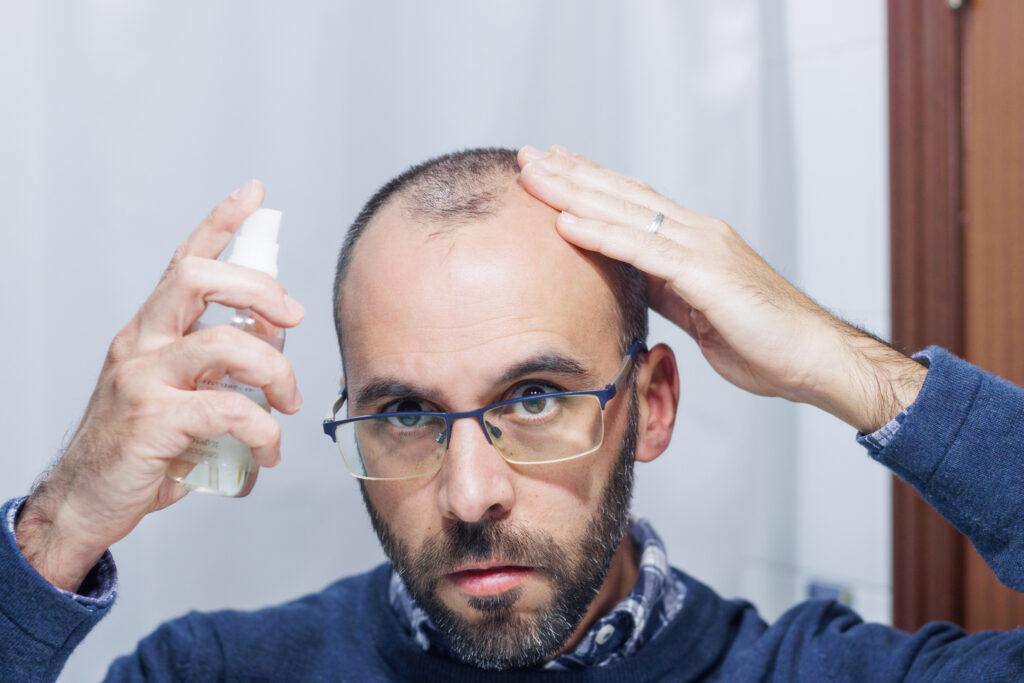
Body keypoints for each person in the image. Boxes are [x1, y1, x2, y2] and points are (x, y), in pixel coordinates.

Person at [2, 146, 1023, 681]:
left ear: (651, 404)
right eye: (402, 412)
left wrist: (848, 366)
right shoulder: (219, 672)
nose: (469, 491)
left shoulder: (821, 674)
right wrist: (60, 529)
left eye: (534, 398)